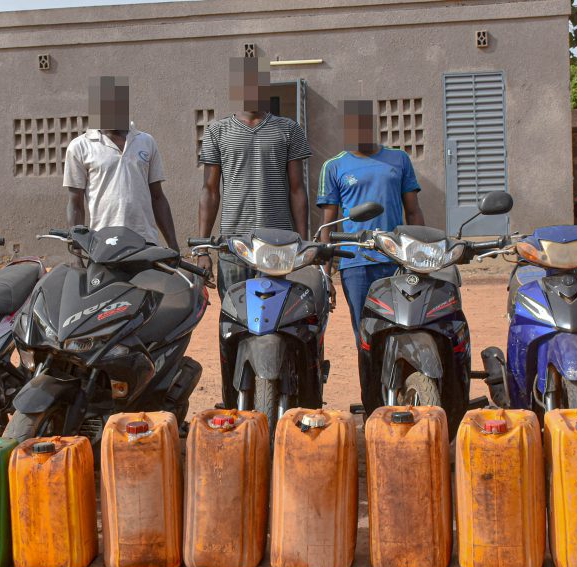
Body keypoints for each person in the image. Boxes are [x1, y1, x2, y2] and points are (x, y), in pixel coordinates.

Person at [318, 99, 425, 402]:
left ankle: (406, 394)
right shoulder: (334, 166)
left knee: (403, 327)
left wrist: (422, 253)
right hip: (356, 264)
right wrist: (326, 272)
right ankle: (373, 405)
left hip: (396, 260)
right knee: (365, 336)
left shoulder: (399, 160)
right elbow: (328, 223)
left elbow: (414, 212)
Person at [195, 56, 312, 296]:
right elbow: (210, 190)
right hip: (233, 245)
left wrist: (304, 243)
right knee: (234, 315)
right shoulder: (217, 131)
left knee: (277, 314)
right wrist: (202, 248)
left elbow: (297, 189)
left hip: (278, 243)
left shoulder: (289, 129)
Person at [63, 75, 179, 250]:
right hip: (103, 243)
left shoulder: (146, 141)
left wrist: (173, 245)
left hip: (145, 241)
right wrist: (75, 250)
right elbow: (75, 204)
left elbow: (158, 197)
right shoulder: (80, 146)